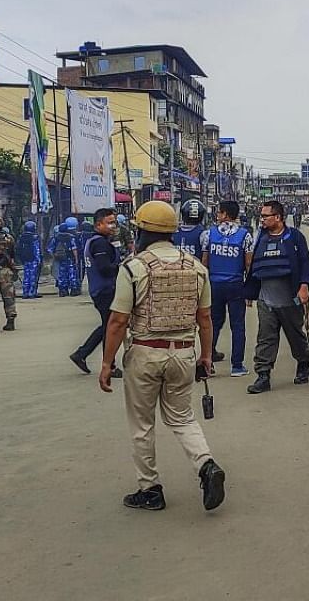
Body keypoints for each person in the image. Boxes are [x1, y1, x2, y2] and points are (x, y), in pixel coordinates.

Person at [98, 200, 225, 513]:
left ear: (141, 231)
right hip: (183, 354)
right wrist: (206, 357)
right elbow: (205, 318)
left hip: (145, 353)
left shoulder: (134, 268)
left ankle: (150, 490)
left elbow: (117, 321)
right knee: (182, 418)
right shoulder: (196, 267)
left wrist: (106, 362)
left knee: (142, 425)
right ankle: (207, 465)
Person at [245, 199, 309, 394]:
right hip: (266, 298)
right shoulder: (260, 237)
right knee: (266, 337)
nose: (262, 220)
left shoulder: (295, 237)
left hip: (289, 298)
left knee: (296, 335)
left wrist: (304, 287)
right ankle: (263, 375)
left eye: (266, 216)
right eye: (262, 216)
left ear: (278, 217)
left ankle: (303, 363)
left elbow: (305, 263)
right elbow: (254, 266)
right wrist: (250, 292)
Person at [201, 201, 255, 377]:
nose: (217, 215)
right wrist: (250, 288)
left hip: (214, 285)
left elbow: (204, 263)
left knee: (213, 323)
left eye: (219, 212)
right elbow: (248, 264)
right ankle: (237, 366)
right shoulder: (245, 235)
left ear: (225, 214)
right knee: (238, 325)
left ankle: (208, 363)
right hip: (236, 285)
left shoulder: (209, 234)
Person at [70, 208, 123, 375]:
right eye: (109, 222)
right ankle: (110, 365)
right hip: (105, 290)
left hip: (100, 289)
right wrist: (123, 267)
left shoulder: (97, 240)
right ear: (98, 224)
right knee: (111, 327)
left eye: (114, 222)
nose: (113, 226)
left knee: (107, 325)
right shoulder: (99, 243)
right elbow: (105, 268)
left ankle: (82, 353)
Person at [48, 218, 81, 297]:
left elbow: (50, 249)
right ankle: (73, 290)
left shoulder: (56, 238)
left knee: (62, 274)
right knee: (72, 273)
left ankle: (63, 291)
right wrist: (76, 259)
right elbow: (74, 249)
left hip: (60, 259)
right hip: (70, 258)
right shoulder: (71, 237)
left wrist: (55, 256)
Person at [18, 221, 42, 298]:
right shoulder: (35, 238)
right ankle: (32, 293)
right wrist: (39, 260)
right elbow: (36, 249)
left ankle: (25, 293)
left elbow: (19, 249)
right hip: (33, 259)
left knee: (26, 276)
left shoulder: (21, 237)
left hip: (25, 259)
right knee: (33, 276)